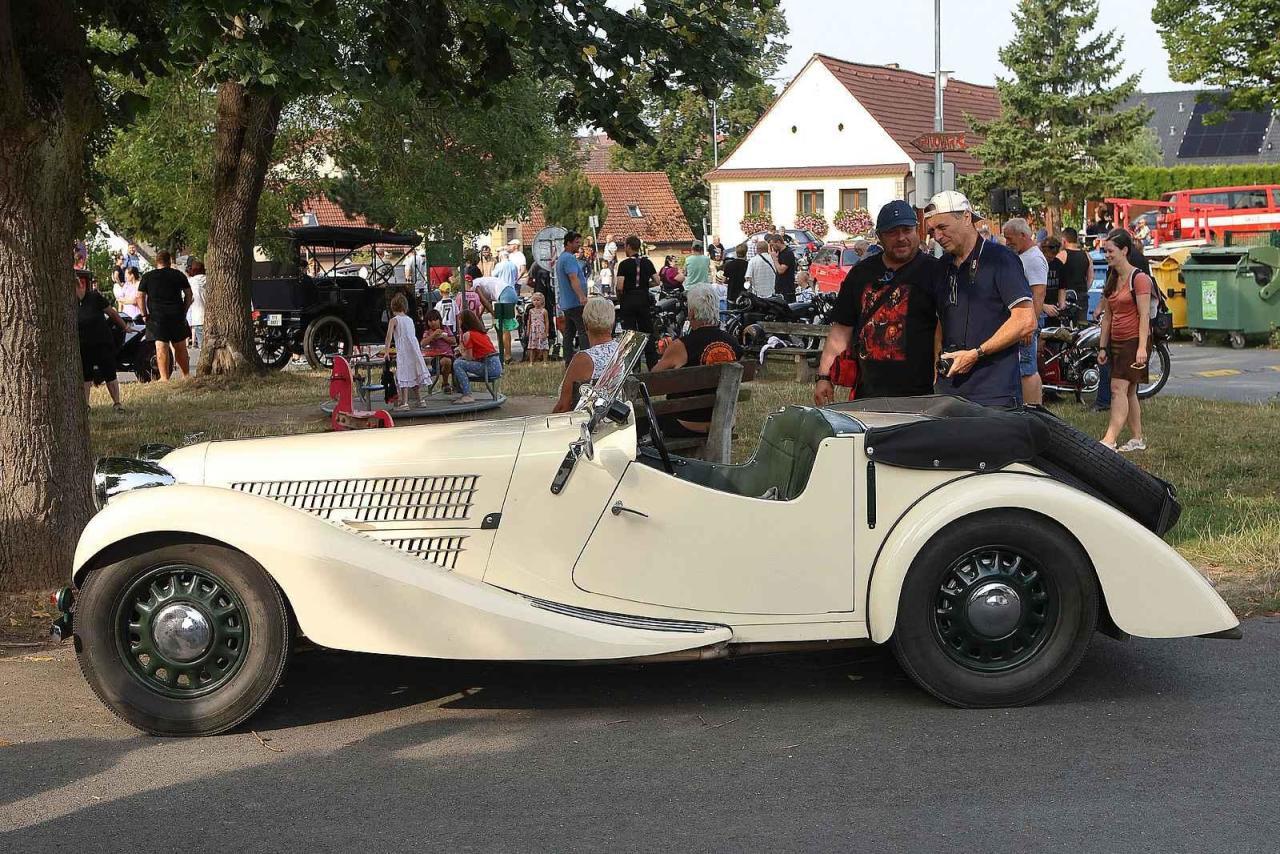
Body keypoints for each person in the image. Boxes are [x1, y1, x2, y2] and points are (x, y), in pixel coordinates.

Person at [816, 201, 942, 403]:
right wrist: (824, 376)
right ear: (880, 236)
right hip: (867, 393)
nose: (901, 238)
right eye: (892, 232)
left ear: (917, 230)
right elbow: (841, 330)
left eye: (906, 230)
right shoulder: (861, 274)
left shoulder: (935, 272)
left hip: (921, 394)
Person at [925, 191, 1036, 408]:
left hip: (994, 391)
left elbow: (1025, 320)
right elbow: (940, 318)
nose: (937, 237)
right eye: (932, 230)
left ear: (966, 217)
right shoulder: (941, 267)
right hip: (949, 389)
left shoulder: (1001, 259)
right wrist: (936, 362)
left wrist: (976, 354)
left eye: (942, 227)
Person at [651, 284, 742, 436]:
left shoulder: (681, 346)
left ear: (691, 313)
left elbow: (652, 381)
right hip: (724, 421)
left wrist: (665, 353)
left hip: (686, 423)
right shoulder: (733, 343)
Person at [1097, 228, 1151, 452]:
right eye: (1105, 251)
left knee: (1117, 388)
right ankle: (1137, 438)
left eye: (1110, 251)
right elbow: (1107, 318)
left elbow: (1145, 315)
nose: (1106, 255)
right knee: (1129, 392)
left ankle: (1109, 440)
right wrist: (1102, 346)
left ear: (1124, 250)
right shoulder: (1112, 280)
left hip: (1133, 341)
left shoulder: (1139, 279)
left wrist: (1141, 347)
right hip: (1117, 342)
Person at [1002, 217, 1049, 407]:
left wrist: (1029, 326)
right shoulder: (1024, 256)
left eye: (1010, 238)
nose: (1007, 242)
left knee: (1027, 370)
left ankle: (1032, 409)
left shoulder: (1034, 259)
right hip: (1019, 324)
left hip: (1026, 326)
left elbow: (1038, 294)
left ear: (1023, 235)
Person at [552, 297, 620, 413]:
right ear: (612, 323)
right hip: (622, 423)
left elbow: (563, 406)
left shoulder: (584, 359)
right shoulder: (622, 350)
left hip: (589, 425)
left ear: (585, 324)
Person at [138, 249, 193, 380]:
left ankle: (164, 378)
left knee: (161, 347)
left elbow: (140, 296)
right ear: (169, 261)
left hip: (157, 316)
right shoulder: (178, 275)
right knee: (180, 346)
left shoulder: (148, 276)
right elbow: (189, 294)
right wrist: (184, 310)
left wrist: (144, 314)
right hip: (176, 314)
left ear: (157, 262)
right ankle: (186, 375)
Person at [77, 273, 128, 411]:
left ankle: (117, 403)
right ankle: (85, 406)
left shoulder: (94, 297)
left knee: (109, 372)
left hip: (102, 342)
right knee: (85, 375)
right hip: (83, 344)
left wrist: (125, 326)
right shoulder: (70, 303)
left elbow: (112, 313)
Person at [615, 235, 660, 368]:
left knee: (630, 333)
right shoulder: (647, 262)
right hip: (643, 300)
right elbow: (657, 281)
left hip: (628, 301)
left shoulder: (623, 264)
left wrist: (620, 297)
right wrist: (645, 285)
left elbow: (619, 286)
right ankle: (652, 364)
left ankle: (634, 366)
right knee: (647, 332)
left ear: (628, 246)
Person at [384, 293, 430, 410]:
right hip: (414, 350)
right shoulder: (409, 319)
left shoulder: (394, 320)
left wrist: (387, 351)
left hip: (403, 350)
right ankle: (420, 399)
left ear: (393, 307)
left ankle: (404, 402)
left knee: (403, 373)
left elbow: (389, 336)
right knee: (413, 373)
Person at [452, 309, 502, 404]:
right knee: (460, 362)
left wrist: (461, 350)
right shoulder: (481, 333)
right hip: (496, 365)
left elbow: (469, 357)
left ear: (463, 321)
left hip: (489, 367)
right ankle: (463, 391)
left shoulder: (468, 334)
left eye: (459, 320)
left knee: (458, 363)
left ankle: (467, 395)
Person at [556, 231, 588, 361]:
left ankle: (568, 360)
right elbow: (573, 278)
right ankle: (587, 359)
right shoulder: (569, 258)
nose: (578, 245)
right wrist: (581, 296)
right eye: (576, 242)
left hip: (567, 302)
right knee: (583, 331)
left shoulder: (562, 258)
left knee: (569, 333)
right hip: (575, 302)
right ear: (568, 243)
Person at [472, 274, 518, 360]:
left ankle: (508, 356)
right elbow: (484, 305)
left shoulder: (474, 286)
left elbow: (485, 302)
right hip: (509, 291)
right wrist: (478, 317)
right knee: (498, 327)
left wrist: (495, 315)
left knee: (504, 327)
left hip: (505, 294)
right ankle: (502, 353)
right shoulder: (480, 282)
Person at [419, 309, 456, 393]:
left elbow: (454, 341)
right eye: (430, 321)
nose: (433, 323)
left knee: (450, 362)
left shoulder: (446, 328)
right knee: (446, 362)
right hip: (436, 358)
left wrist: (443, 336)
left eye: (435, 320)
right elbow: (423, 344)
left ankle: (453, 384)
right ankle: (445, 384)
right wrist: (433, 336)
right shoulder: (428, 332)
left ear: (439, 320)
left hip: (449, 354)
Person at [186, 259, 206, 349]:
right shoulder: (210, 280)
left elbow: (188, 298)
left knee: (203, 347)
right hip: (212, 317)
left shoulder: (191, 282)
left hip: (198, 318)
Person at [525, 292, 550, 362]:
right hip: (533, 331)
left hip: (541, 330)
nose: (536, 302)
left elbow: (547, 322)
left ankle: (545, 361)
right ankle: (531, 361)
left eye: (538, 300)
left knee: (544, 346)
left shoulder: (544, 311)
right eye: (534, 300)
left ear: (542, 301)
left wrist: (546, 332)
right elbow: (529, 321)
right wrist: (528, 330)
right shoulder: (531, 311)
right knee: (532, 346)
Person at [772, 233, 797, 301]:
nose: (772, 247)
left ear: (778, 242)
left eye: (773, 244)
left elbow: (781, 270)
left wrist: (775, 259)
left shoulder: (787, 253)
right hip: (779, 288)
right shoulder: (779, 253)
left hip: (787, 289)